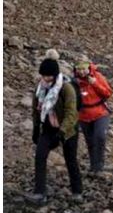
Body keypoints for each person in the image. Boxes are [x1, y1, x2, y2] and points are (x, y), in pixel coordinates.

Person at [26, 57, 82, 204]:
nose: (46, 78)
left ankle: (77, 192)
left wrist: (62, 133)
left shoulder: (66, 88)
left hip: (68, 130)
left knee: (70, 160)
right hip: (48, 128)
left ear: (55, 74)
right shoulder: (40, 88)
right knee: (40, 156)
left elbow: (71, 113)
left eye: (49, 75)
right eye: (43, 75)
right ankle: (40, 193)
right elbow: (36, 109)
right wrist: (36, 128)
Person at [74, 61, 112, 175]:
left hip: (100, 113)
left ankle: (99, 165)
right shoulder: (75, 81)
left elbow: (108, 93)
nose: (81, 72)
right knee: (90, 141)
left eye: (83, 69)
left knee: (100, 137)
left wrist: (95, 83)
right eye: (79, 69)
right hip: (83, 115)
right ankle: (93, 165)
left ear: (88, 68)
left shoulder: (97, 77)